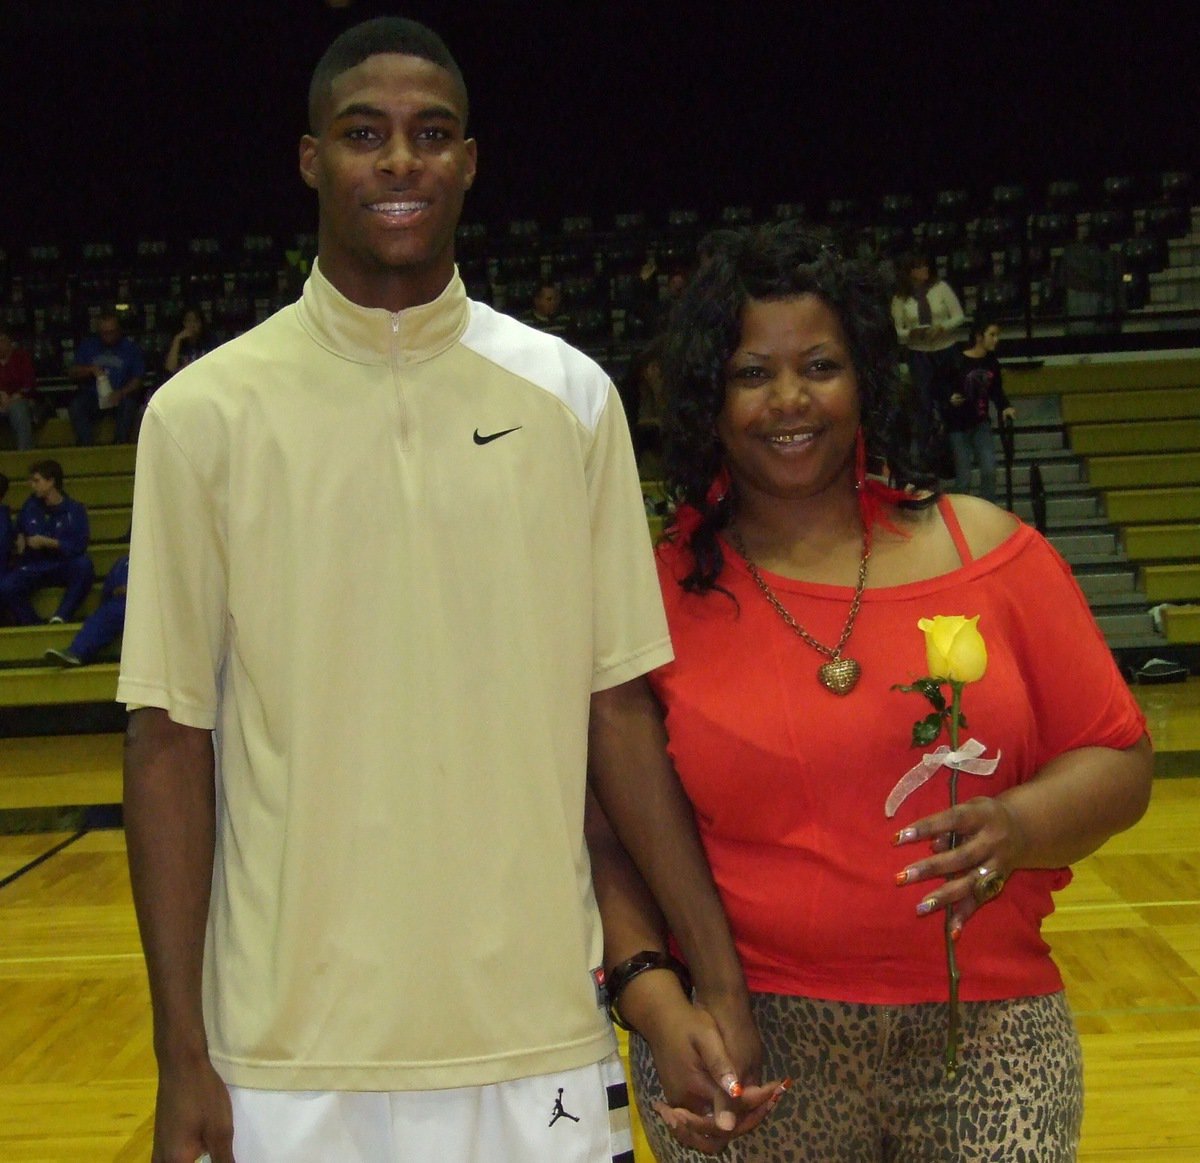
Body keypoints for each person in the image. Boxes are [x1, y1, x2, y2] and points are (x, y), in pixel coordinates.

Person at [119, 17, 769, 1163]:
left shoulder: (571, 398)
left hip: (539, 1034)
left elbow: (616, 715)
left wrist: (716, 978)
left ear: (469, 160)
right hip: (284, 1047)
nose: (400, 162)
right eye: (364, 134)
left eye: (431, 135)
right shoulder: (203, 416)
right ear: (313, 158)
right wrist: (183, 1055)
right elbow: (170, 739)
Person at [594, 220, 1153, 1161]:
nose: (788, 399)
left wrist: (1019, 823)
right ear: (708, 399)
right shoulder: (650, 599)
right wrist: (656, 1002)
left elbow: (1121, 760)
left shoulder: (989, 552)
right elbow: (607, 836)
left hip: (988, 1032)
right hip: (752, 1038)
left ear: (866, 378)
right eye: (750, 373)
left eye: (819, 364)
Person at [0, 459, 94, 626]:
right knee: (7, 586)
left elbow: (79, 546)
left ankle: (61, 616)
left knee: (84, 566)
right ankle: (32, 623)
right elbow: (19, 528)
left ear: (51, 482)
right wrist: (20, 536)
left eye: (36, 481)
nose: (32, 485)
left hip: (61, 563)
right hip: (34, 564)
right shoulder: (30, 506)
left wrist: (49, 542)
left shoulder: (74, 510)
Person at [891, 252, 964, 459]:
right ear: (909, 272)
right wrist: (911, 334)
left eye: (925, 266)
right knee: (923, 403)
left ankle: (954, 452)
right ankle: (925, 455)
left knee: (949, 400)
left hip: (945, 349)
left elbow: (958, 316)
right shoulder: (900, 298)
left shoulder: (941, 288)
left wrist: (942, 327)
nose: (924, 270)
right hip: (919, 353)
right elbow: (896, 331)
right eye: (918, 267)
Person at [936, 317, 1016, 503]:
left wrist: (1005, 406)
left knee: (989, 470)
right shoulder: (957, 359)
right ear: (980, 337)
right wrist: (949, 397)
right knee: (964, 478)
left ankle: (987, 512)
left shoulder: (991, 362)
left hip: (980, 421)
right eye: (992, 335)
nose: (996, 339)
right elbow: (937, 385)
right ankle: (959, 516)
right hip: (957, 424)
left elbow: (996, 389)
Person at [67, 310, 146, 445]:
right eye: (105, 332)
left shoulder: (131, 348)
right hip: (93, 397)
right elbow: (72, 372)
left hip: (120, 396)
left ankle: (120, 445)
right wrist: (90, 370)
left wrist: (121, 393)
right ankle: (87, 446)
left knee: (129, 406)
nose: (108, 336)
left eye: (112, 332)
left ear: (119, 330)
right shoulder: (88, 346)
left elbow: (138, 380)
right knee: (76, 406)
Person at [45, 553, 128, 666]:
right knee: (107, 612)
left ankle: (77, 652)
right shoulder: (123, 563)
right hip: (120, 605)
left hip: (149, 605)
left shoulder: (157, 563)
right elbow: (107, 593)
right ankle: (76, 652)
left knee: (112, 611)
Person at [0, 326, 39, 451]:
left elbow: (30, 383)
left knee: (18, 410)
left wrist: (17, 395)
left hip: (19, 400)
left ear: (10, 342)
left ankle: (24, 453)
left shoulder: (21, 357)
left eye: (2, 340)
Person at [161, 306, 212, 378]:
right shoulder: (175, 342)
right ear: (183, 323)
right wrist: (177, 340)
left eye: (196, 321)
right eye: (188, 321)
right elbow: (170, 369)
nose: (192, 325)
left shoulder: (210, 341)